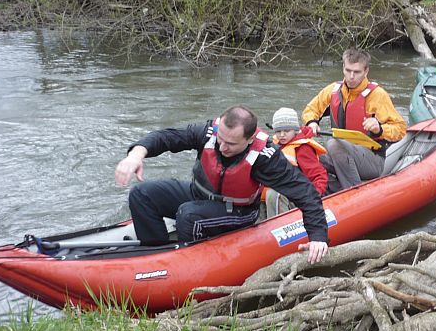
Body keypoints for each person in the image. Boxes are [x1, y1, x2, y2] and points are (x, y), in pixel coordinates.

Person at [115, 105, 329, 264]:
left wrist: (318, 236)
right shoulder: (209, 133)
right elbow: (167, 137)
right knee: (141, 194)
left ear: (248, 139)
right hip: (199, 194)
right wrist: (136, 154)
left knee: (188, 215)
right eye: (221, 139)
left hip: (238, 211)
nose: (222, 147)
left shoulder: (265, 157)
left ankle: (188, 264)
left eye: (231, 144)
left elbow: (304, 192)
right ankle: (155, 256)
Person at [303, 48, 407, 190]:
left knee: (334, 144)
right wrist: (312, 122)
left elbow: (400, 129)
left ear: (366, 72)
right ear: (343, 68)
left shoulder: (377, 95)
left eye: (357, 72)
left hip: (372, 159)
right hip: (342, 155)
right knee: (305, 154)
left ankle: (353, 192)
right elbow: (310, 109)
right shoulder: (333, 90)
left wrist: (380, 128)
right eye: (348, 70)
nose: (351, 76)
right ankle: (328, 191)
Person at [265, 107, 328, 218]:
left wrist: (313, 197)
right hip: (283, 190)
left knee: (275, 194)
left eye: (286, 131)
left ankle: (279, 227)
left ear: (295, 130)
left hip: (300, 195)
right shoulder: (274, 145)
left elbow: (319, 176)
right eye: (278, 131)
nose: (282, 135)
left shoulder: (302, 149)